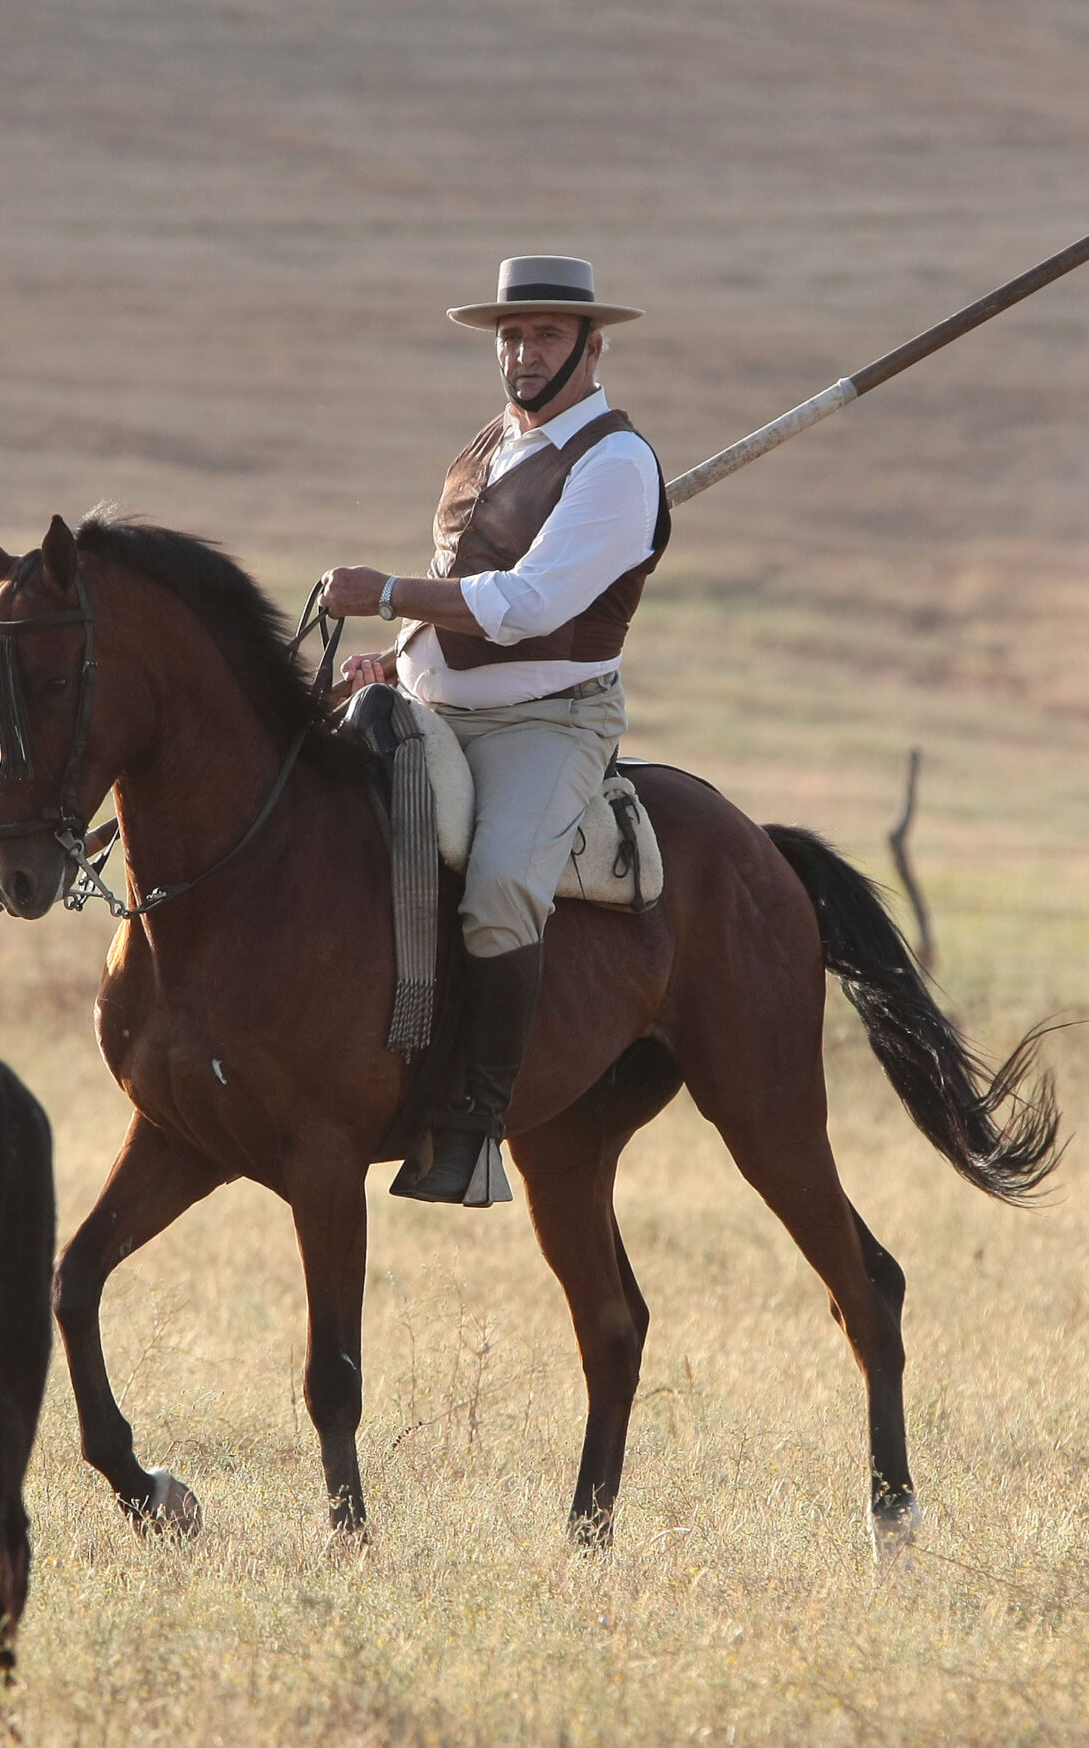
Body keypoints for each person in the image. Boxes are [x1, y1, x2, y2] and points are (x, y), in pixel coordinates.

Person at [322, 255, 670, 1206]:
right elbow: (464, 583)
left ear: (593, 348)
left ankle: (473, 1125)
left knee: (501, 885)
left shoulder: (617, 463)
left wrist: (385, 591)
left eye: (546, 334)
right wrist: (397, 654)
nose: (523, 352)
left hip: (547, 722)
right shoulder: (485, 448)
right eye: (512, 336)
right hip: (436, 701)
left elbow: (528, 604)